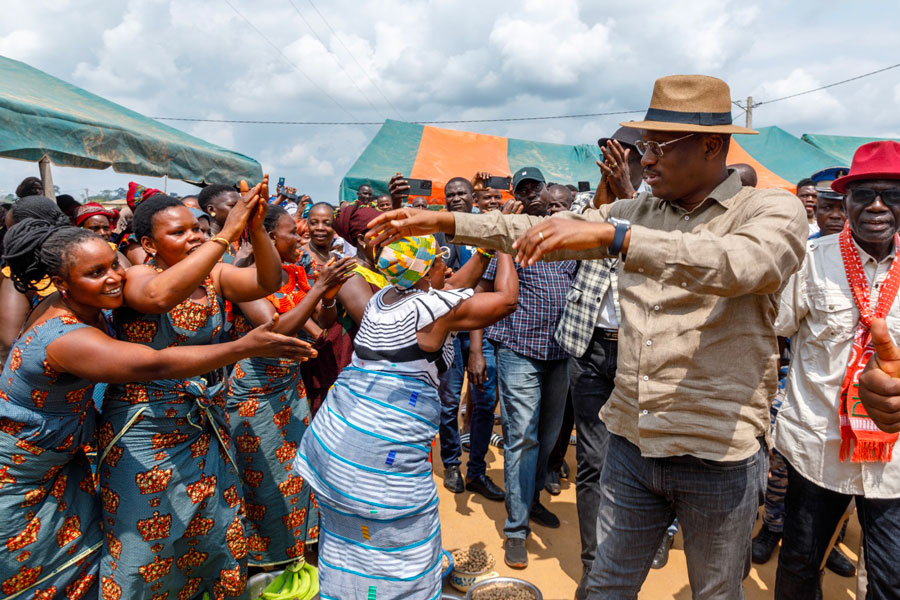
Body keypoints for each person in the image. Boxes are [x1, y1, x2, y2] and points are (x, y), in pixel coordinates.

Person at [368, 74, 808, 597]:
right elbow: (534, 232)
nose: (645, 159)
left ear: (712, 146)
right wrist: (442, 218)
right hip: (631, 441)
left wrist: (619, 237)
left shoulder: (768, 211)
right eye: (643, 147)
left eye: (657, 147)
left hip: (715, 454)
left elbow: (745, 264)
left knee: (714, 590)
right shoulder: (638, 211)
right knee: (605, 586)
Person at [0, 219, 310, 600]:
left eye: (113, 264)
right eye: (95, 273)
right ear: (62, 283)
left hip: (64, 458)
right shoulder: (64, 335)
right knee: (38, 568)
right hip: (21, 473)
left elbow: (248, 282)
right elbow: (153, 364)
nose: (115, 277)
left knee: (82, 558)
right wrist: (243, 347)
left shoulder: (89, 303)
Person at [295, 234, 518, 600]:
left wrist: (484, 249)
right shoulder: (436, 308)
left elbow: (451, 286)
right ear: (428, 274)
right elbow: (506, 300)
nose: (448, 266)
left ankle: (349, 591)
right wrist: (505, 241)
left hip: (334, 449)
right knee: (403, 541)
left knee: (349, 539)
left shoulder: (384, 298)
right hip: (374, 463)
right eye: (441, 261)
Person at [96, 183, 287, 599]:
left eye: (196, 228)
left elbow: (268, 281)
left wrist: (254, 230)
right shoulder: (137, 277)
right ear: (148, 244)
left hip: (204, 428)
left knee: (215, 534)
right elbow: (159, 297)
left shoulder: (215, 275)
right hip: (146, 433)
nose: (194, 237)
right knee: (145, 546)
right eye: (178, 233)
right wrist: (224, 234)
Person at [773, 140, 900, 599]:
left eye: (893, 194)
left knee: (891, 579)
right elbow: (774, 330)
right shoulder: (810, 261)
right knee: (800, 565)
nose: (878, 206)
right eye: (865, 193)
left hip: (893, 459)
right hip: (818, 448)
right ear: (844, 201)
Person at [227, 205, 356, 568]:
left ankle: (295, 551)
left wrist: (328, 293)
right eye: (292, 232)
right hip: (255, 395)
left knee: (296, 475)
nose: (300, 238)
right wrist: (319, 287)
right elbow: (276, 330)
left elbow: (319, 326)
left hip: (289, 387)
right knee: (264, 480)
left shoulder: (293, 271)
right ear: (268, 238)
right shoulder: (242, 277)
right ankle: (261, 562)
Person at [474, 166, 575, 569]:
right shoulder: (508, 239)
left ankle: (531, 503)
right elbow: (482, 293)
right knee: (520, 439)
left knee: (548, 438)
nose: (534, 196)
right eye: (525, 190)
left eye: (540, 190)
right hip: (518, 352)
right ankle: (516, 530)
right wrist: (477, 351)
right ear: (518, 195)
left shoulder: (569, 240)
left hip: (560, 355)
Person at [426, 176, 504, 501]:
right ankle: (452, 463)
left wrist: (476, 347)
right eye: (451, 194)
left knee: (484, 401)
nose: (456, 198)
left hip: (479, 329)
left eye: (462, 193)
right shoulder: (439, 234)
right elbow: (445, 287)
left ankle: (476, 473)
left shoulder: (485, 231)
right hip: (448, 330)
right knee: (447, 403)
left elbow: (477, 294)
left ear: (474, 196)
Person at [0, 197, 69, 364]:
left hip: (52, 378)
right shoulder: (97, 253)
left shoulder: (19, 277)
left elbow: (9, 344)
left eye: (10, 230)